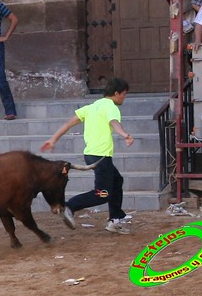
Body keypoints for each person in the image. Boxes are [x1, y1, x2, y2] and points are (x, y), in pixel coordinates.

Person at [40, 78, 134, 235]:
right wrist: (125, 135)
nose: (124, 97)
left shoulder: (91, 107)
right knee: (102, 194)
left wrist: (53, 139)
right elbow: (114, 122)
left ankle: (115, 219)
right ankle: (69, 206)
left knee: (117, 181)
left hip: (90, 154)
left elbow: (69, 123)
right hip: (101, 156)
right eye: (124, 94)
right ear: (116, 93)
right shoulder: (110, 107)